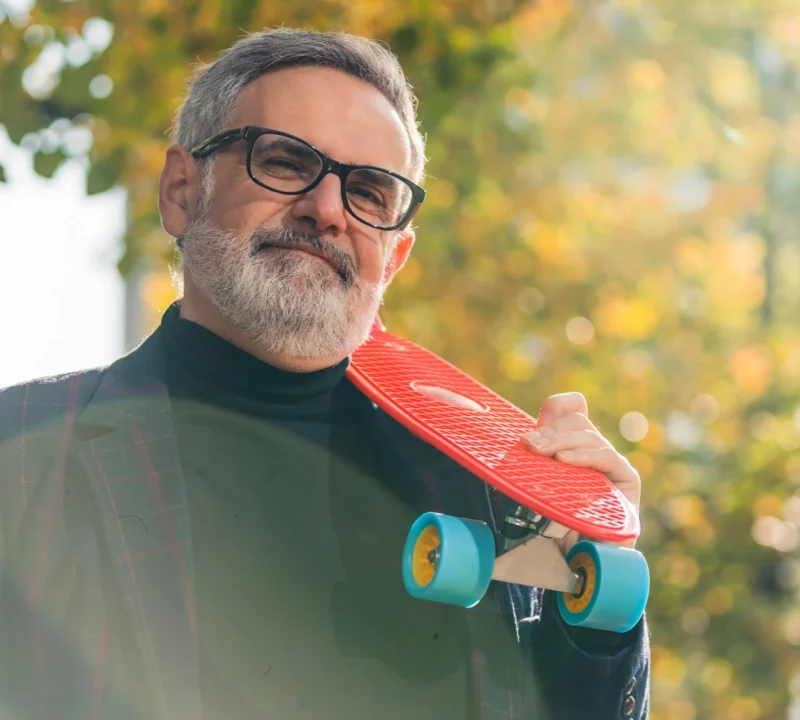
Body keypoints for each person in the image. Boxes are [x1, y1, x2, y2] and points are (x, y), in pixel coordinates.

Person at [0, 28, 649, 720]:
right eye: (284, 161)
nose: (328, 210)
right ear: (182, 191)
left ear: (393, 260)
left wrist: (593, 589)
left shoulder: (490, 493)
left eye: (370, 192)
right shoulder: (22, 453)